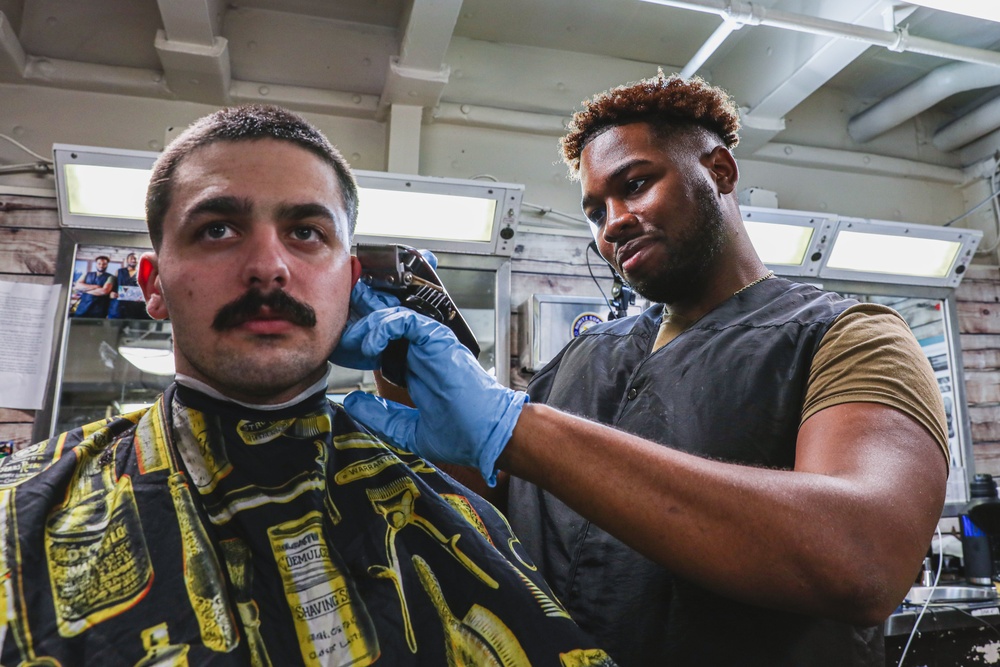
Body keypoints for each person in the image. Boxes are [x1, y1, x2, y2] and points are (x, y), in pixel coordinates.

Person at [336, 73, 949, 666]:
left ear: (720, 171)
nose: (613, 225)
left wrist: (517, 428)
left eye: (634, 185)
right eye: (596, 212)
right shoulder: (587, 355)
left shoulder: (847, 337)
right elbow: (496, 494)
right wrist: (407, 365)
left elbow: (862, 558)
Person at [0, 105, 614, 666]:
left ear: (350, 282)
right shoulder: (19, 514)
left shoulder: (445, 515)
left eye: (305, 233)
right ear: (153, 283)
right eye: (217, 229)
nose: (268, 265)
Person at [108, 252, 150, 319]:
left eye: (135, 258)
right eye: (131, 258)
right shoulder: (119, 271)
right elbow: (113, 286)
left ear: (138, 261)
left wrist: (143, 297)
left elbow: (146, 289)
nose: (133, 260)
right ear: (127, 260)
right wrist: (111, 293)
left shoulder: (142, 273)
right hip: (119, 306)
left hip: (135, 307)